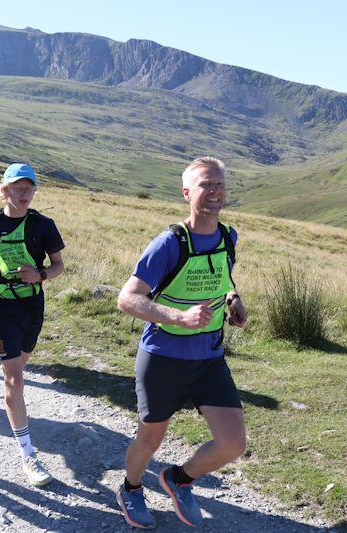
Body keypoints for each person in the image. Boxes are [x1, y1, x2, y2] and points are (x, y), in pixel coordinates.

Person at [114, 157, 248, 528]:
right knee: (150, 439)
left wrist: (232, 300)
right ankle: (130, 487)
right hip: (163, 358)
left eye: (220, 184)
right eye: (206, 185)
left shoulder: (228, 237)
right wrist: (179, 316)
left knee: (233, 444)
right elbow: (127, 298)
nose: (215, 192)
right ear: (187, 193)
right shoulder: (169, 243)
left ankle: (179, 478)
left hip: (208, 357)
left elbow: (221, 279)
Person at [0, 163, 65, 486]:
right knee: (15, 380)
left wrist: (42, 275)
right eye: (17, 188)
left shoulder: (43, 225)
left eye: (29, 189)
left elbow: (59, 265)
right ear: (4, 190)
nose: (23, 194)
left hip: (32, 304)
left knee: (18, 363)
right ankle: (28, 455)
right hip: (0, 303)